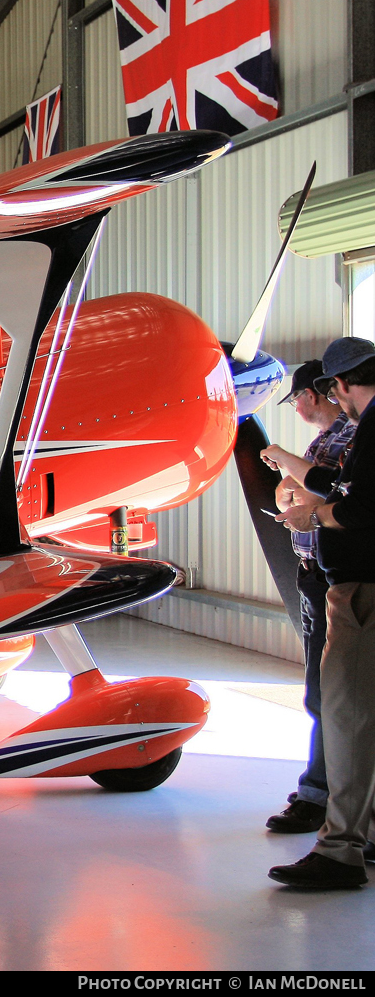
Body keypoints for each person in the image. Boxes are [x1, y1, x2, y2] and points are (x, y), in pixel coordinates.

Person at [271, 337, 375, 888]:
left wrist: (312, 521)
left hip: (362, 592)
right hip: (353, 585)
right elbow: (345, 485)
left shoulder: (369, 426)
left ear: (339, 386)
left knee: (345, 717)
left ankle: (339, 850)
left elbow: (360, 506)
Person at [259, 360, 357, 834]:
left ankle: (325, 798)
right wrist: (290, 489)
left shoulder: (351, 436)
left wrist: (284, 462)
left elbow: (332, 491)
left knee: (332, 694)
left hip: (337, 578)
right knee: (323, 691)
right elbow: (294, 494)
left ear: (317, 394)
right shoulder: (327, 440)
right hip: (314, 575)